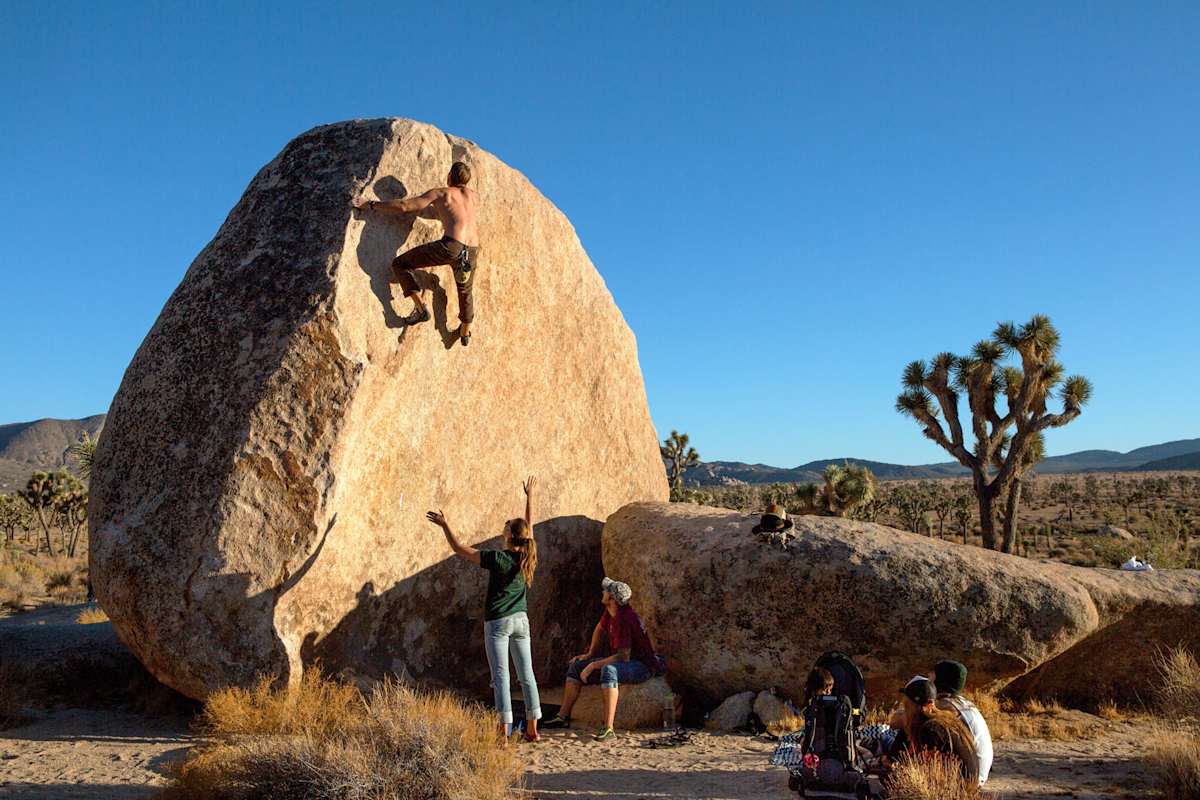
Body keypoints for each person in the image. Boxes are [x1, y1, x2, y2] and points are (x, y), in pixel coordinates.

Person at [425, 476, 541, 742]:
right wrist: (530, 497)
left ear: (510, 535)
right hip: (521, 621)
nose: (502, 531)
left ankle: (504, 732)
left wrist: (445, 525)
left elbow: (459, 549)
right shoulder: (527, 555)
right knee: (527, 675)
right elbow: (530, 528)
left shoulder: (498, 558)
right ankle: (533, 730)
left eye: (504, 529)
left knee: (501, 677)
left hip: (499, 622)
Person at [354, 161, 480, 345]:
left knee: (401, 264)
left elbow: (405, 206)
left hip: (450, 246)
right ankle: (465, 332)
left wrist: (370, 204)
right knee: (465, 290)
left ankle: (420, 309)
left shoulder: (443, 193)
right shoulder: (473, 197)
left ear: (450, 176)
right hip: (471, 251)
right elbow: (452, 214)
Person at [541, 578, 662, 741]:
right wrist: (589, 654)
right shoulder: (610, 611)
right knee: (576, 666)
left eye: (606, 591)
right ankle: (562, 717)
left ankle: (609, 729)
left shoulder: (625, 618)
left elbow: (623, 656)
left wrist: (593, 665)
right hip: (627, 662)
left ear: (612, 599)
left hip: (643, 666)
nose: (603, 592)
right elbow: (599, 628)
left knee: (609, 670)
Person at [886, 676, 979, 786]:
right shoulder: (946, 720)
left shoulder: (930, 730)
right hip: (967, 787)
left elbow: (928, 771)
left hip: (953, 791)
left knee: (892, 778)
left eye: (907, 705)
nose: (904, 710)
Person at [933, 660, 993, 785]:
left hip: (969, 779)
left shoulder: (946, 706)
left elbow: (898, 721)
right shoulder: (963, 703)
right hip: (977, 773)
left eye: (933, 675)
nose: (929, 679)